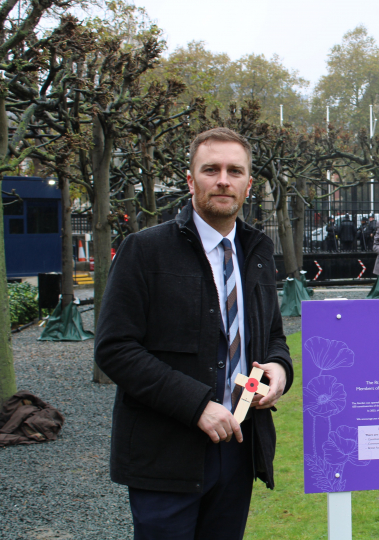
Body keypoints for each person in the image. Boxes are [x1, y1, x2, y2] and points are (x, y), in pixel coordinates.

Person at [95, 127, 294, 539]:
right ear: (191, 180)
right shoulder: (144, 251)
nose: (224, 180)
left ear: (248, 184)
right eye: (211, 169)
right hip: (166, 453)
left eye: (235, 171)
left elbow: (273, 335)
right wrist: (198, 405)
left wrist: (278, 370)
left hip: (238, 447)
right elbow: (115, 350)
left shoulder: (255, 252)